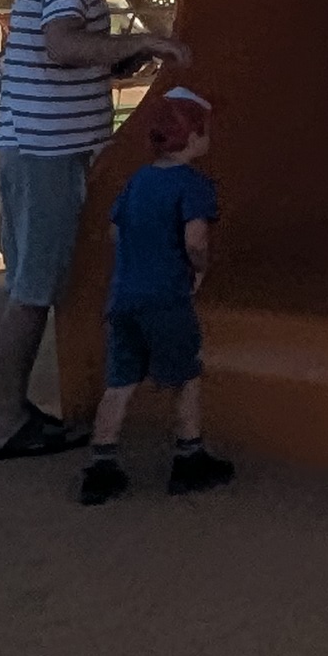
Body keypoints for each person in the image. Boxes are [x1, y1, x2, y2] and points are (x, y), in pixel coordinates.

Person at [0, 0, 184, 463]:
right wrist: (141, 43)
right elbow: (63, 45)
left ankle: (1, 405)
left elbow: (67, 55)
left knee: (22, 284)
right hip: (48, 153)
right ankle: (7, 421)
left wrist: (120, 56)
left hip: (32, 145)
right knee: (36, 289)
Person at [81, 90, 232, 504]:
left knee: (120, 380)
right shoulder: (194, 185)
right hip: (166, 297)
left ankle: (102, 464)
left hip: (124, 297)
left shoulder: (137, 181)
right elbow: (195, 239)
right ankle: (189, 457)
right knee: (186, 375)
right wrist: (199, 267)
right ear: (194, 136)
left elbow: (115, 231)